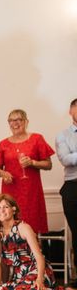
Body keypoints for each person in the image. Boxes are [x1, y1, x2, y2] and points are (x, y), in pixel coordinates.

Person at [0, 194, 77, 290]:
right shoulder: (0, 232)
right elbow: (4, 261)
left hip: (37, 270)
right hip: (20, 275)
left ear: (14, 210)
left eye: (6, 207)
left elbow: (39, 257)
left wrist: (39, 280)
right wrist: (2, 283)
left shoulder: (23, 228)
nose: (2, 210)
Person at [0, 109, 54, 234]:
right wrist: (2, 173)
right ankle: (12, 253)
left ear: (26, 122)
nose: (15, 123)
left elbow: (48, 164)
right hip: (10, 191)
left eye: (19, 119)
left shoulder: (37, 139)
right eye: (11, 120)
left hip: (31, 192)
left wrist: (33, 163)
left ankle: (34, 252)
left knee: (32, 225)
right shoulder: (3, 144)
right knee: (11, 225)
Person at [55, 98, 77, 274]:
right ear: (71, 111)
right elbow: (65, 159)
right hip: (73, 185)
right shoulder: (62, 135)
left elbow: (72, 157)